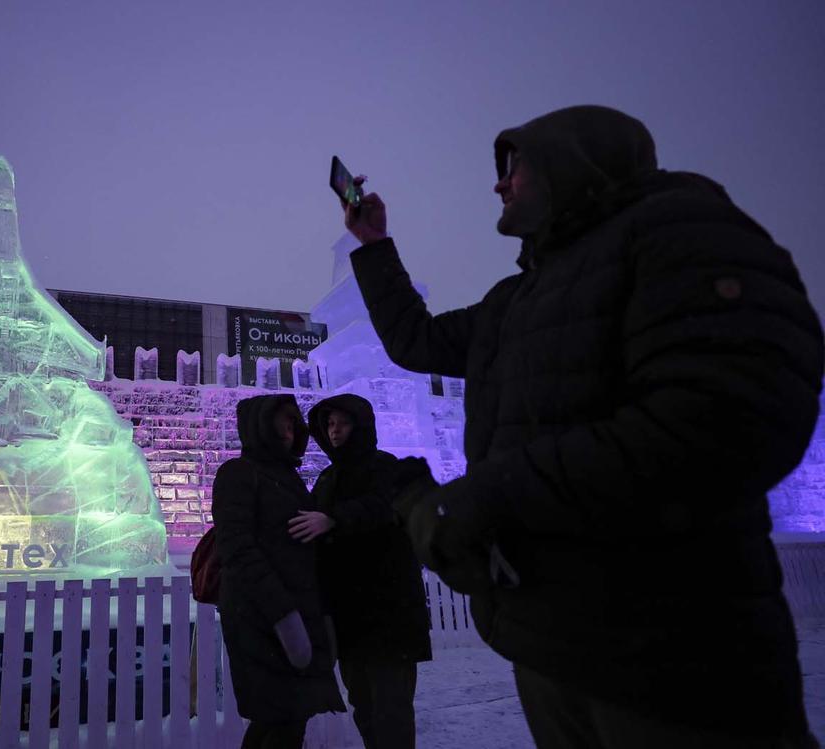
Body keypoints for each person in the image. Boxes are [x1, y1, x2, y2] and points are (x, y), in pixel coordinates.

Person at [341, 104, 824, 747]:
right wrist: (375, 247)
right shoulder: (515, 300)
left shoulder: (681, 232)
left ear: (572, 165)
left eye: (514, 166)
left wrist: (493, 496)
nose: (498, 183)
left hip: (674, 650)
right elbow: (417, 340)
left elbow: (727, 419)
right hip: (553, 642)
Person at [287, 393, 433, 749]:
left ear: (361, 426)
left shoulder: (385, 467)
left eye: (342, 424)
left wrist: (334, 519)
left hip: (387, 613)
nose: (335, 432)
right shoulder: (327, 478)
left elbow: (383, 508)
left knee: (391, 707)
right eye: (330, 425)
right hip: (348, 615)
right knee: (364, 705)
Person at [212, 394, 345, 748]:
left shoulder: (287, 475)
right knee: (278, 718)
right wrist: (282, 613)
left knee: (290, 719)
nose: (290, 428)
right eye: (282, 421)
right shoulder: (238, 474)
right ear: (261, 425)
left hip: (297, 609)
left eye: (292, 421)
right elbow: (237, 548)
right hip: (261, 616)